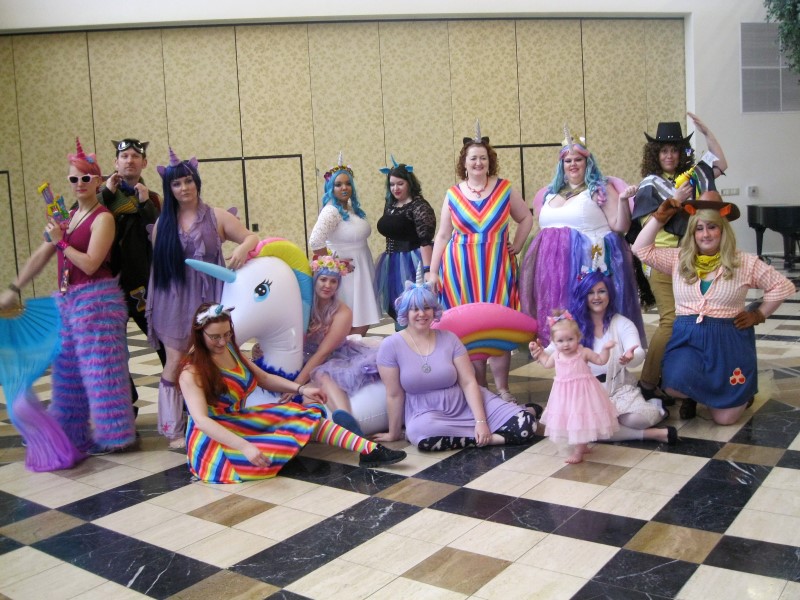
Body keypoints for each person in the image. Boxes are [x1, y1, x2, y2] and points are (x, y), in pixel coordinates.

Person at [0, 138, 136, 454]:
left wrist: (61, 241)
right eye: (73, 179)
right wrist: (13, 288)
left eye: (85, 178)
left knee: (102, 373)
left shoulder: (103, 218)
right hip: (67, 303)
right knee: (67, 375)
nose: (79, 184)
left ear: (97, 180)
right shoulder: (67, 217)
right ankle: (70, 433)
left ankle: (115, 436)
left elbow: (90, 263)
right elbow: (41, 255)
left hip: (96, 303)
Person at [178, 303, 406, 483]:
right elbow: (202, 421)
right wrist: (244, 446)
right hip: (214, 440)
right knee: (269, 452)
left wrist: (301, 388)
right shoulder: (191, 372)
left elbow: (264, 378)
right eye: (215, 337)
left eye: (227, 334)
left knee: (302, 414)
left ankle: (369, 449)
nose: (223, 341)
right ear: (200, 334)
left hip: (238, 421)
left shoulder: (230, 349)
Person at [632, 192, 795, 424]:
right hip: (688, 339)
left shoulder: (743, 262)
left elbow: (782, 286)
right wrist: (658, 218)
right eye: (699, 228)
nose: (705, 234)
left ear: (723, 229)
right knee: (673, 385)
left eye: (712, 227)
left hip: (728, 342)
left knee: (725, 420)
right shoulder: (680, 259)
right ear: (692, 232)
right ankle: (699, 394)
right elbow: (640, 249)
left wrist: (759, 314)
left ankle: (734, 396)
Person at [146, 148, 259, 448]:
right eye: (176, 183)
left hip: (210, 298)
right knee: (174, 362)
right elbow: (159, 271)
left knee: (217, 355)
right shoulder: (163, 224)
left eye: (188, 181)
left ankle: (222, 417)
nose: (184, 188)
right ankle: (173, 429)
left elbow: (251, 236)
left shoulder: (216, 216)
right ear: (169, 189)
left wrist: (242, 248)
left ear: (196, 182)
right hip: (174, 300)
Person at [427, 125, 533, 402]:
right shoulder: (452, 194)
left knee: (498, 324)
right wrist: (433, 272)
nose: (478, 162)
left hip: (497, 268)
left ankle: (503, 388)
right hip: (460, 271)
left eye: (483, 158)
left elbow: (526, 218)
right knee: (469, 329)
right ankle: (480, 388)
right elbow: (442, 235)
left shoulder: (505, 188)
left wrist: (517, 244)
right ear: (464, 162)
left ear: (490, 161)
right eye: (473, 158)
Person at [631, 114, 728, 403]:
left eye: (674, 150)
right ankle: (648, 383)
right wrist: (675, 199)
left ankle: (677, 377)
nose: (669, 155)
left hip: (691, 261)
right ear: (655, 154)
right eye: (663, 150)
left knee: (691, 321)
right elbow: (649, 224)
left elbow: (721, 164)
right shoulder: (650, 184)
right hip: (661, 259)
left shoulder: (694, 177)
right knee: (671, 321)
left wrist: (707, 132)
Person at [375, 282, 539, 451]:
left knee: (527, 425)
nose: (422, 314)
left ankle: (491, 428)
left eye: (427, 308)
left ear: (434, 310)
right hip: (426, 414)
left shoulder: (450, 338)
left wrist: (480, 421)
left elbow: (468, 382)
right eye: (415, 309)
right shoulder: (390, 345)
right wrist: (394, 433)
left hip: (464, 402)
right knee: (419, 433)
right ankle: (489, 438)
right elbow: (394, 394)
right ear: (405, 312)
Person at [520, 128, 642, 347]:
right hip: (553, 272)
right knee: (560, 319)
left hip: (587, 264)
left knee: (586, 315)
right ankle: (562, 360)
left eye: (578, 159)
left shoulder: (600, 188)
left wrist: (623, 201)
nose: (573, 164)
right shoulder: (551, 192)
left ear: (588, 162)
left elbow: (620, 226)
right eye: (568, 160)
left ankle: (596, 357)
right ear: (562, 165)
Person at [275, 254, 380, 435]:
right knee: (309, 391)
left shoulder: (343, 312)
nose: (328, 285)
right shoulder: (302, 305)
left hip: (332, 356)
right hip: (300, 355)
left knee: (322, 374)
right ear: (315, 280)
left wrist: (296, 384)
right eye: (323, 279)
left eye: (333, 281)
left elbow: (323, 353)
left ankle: (347, 420)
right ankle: (308, 428)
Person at [568, 270, 676, 445]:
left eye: (601, 291)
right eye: (590, 292)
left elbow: (637, 352)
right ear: (583, 296)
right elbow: (554, 348)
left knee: (637, 420)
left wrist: (630, 357)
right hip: (584, 393)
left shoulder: (622, 323)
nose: (596, 297)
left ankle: (656, 407)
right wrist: (541, 352)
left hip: (618, 389)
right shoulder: (572, 325)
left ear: (609, 294)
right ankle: (651, 434)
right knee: (585, 427)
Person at [99, 138, 166, 415]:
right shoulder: (101, 196)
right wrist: (106, 193)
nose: (129, 160)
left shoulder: (153, 199)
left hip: (142, 285)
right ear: (115, 163)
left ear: (144, 163)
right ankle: (126, 402)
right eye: (124, 156)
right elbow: (85, 222)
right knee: (112, 349)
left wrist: (145, 204)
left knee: (163, 341)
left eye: (135, 156)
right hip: (108, 284)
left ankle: (180, 396)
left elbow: (160, 235)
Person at [529, 312, 619, 464]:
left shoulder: (583, 352)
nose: (566, 344)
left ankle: (578, 451)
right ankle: (582, 446)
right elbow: (546, 363)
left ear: (578, 337)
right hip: (564, 396)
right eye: (560, 341)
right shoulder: (557, 355)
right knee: (570, 420)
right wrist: (539, 352)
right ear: (554, 342)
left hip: (583, 394)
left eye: (570, 339)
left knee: (581, 419)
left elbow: (600, 360)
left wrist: (606, 349)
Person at [309, 154, 381, 336]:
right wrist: (334, 264)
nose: (344, 188)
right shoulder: (331, 211)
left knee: (363, 317)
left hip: (362, 267)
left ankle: (352, 349)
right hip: (347, 274)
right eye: (338, 184)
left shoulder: (351, 208)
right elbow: (315, 241)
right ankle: (342, 349)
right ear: (330, 188)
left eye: (348, 183)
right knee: (350, 319)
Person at [374, 157, 436, 327]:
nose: (395, 188)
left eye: (400, 183)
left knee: (415, 304)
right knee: (397, 305)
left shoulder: (419, 205)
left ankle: (420, 338)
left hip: (413, 261)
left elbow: (425, 241)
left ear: (409, 182)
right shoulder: (390, 204)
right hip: (391, 261)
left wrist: (427, 270)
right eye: (392, 184)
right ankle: (403, 338)